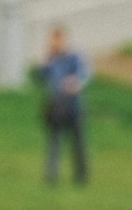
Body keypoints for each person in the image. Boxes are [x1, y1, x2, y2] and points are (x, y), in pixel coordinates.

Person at [34, 26, 91, 185]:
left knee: (78, 143)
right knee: (55, 142)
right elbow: (40, 76)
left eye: (58, 40)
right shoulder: (52, 59)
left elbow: (85, 74)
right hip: (56, 106)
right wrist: (45, 59)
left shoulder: (74, 56)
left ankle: (82, 176)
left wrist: (76, 83)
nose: (56, 44)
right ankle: (52, 176)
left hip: (73, 106)